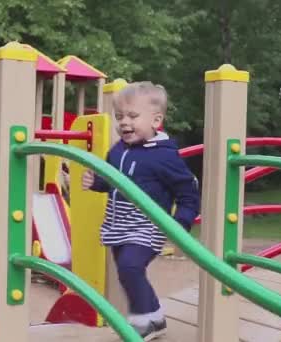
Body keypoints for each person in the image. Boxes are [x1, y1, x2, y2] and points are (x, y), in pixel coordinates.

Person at [82, 81, 200, 340]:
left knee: (130, 267)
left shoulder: (165, 156)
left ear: (156, 121)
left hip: (148, 225)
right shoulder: (118, 150)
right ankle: (154, 318)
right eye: (120, 117)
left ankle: (146, 319)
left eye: (133, 116)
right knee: (126, 272)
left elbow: (188, 191)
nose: (124, 122)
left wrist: (181, 222)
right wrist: (97, 183)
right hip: (118, 223)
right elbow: (112, 180)